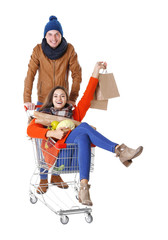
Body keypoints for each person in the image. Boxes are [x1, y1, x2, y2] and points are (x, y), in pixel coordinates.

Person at [27, 62, 143, 206]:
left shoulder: (73, 114)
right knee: (84, 127)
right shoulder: (44, 115)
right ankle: (119, 150)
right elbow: (30, 130)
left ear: (66, 99)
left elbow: (87, 96)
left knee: (82, 136)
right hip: (56, 160)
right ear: (51, 99)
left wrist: (96, 71)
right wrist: (52, 132)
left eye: (62, 96)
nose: (59, 98)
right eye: (56, 96)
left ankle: (84, 188)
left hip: (72, 159)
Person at [23, 15, 82, 110]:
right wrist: (27, 99)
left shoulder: (69, 49)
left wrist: (72, 98)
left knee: (63, 125)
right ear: (45, 35)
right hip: (43, 100)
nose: (53, 38)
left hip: (61, 102)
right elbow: (30, 74)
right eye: (50, 34)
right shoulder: (38, 50)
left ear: (61, 35)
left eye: (57, 34)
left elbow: (77, 74)